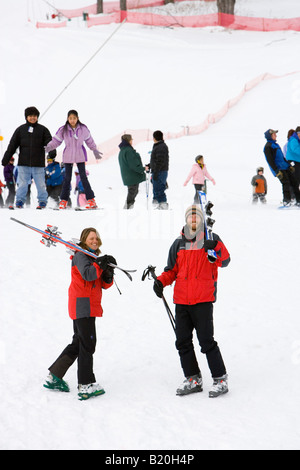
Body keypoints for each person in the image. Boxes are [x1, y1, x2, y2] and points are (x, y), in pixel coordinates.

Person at [153, 205, 231, 398]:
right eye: (190, 216)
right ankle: (193, 378)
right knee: (182, 342)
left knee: (206, 341)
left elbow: (225, 260)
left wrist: (216, 248)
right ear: (187, 219)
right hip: (181, 301)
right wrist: (161, 281)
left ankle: (220, 379)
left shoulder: (211, 239)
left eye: (197, 215)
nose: (193, 219)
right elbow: (171, 270)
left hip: (203, 300)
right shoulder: (179, 243)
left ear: (202, 219)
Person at [43, 227, 116, 400]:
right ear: (84, 240)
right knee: (88, 344)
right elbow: (88, 274)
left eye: (96, 238)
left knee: (79, 343)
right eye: (91, 238)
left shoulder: (93, 258)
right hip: (83, 305)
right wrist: (99, 265)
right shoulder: (80, 256)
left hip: (88, 305)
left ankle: (54, 376)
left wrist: (108, 273)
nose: (94, 241)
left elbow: (102, 285)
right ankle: (85, 385)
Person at [45, 110, 102, 210]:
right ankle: (63, 201)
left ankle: (91, 200)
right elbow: (56, 141)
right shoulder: (63, 129)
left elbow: (89, 140)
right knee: (67, 179)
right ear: (67, 119)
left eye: (74, 118)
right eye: (70, 118)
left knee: (83, 177)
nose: (72, 120)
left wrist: (94, 150)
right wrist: (49, 147)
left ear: (77, 118)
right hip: (68, 157)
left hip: (80, 155)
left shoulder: (83, 129)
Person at [1, 106, 55, 209]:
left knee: (41, 185)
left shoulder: (43, 130)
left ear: (37, 117)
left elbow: (49, 142)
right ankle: (20, 201)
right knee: (22, 184)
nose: (32, 118)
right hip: (23, 163)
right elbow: (12, 145)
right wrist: (6, 158)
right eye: (30, 116)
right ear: (26, 117)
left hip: (38, 163)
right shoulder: (21, 130)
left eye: (34, 116)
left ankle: (42, 202)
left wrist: (52, 152)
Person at [263, 129, 300, 206]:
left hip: (285, 167)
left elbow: (282, 158)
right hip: (279, 169)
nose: (276, 135)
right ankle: (287, 201)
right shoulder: (268, 147)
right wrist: (276, 171)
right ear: (270, 136)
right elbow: (270, 161)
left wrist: (289, 165)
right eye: (274, 134)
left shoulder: (276, 145)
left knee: (294, 183)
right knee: (286, 183)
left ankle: (298, 200)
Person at [118, 134, 146, 209]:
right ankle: (128, 207)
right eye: (131, 140)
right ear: (129, 141)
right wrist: (143, 169)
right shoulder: (128, 150)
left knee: (133, 191)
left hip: (128, 175)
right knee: (133, 191)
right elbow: (133, 164)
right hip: (131, 175)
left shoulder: (122, 151)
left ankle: (128, 206)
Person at [149, 130, 169, 209]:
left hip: (160, 171)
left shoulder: (161, 146)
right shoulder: (158, 145)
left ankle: (163, 205)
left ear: (154, 138)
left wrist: (156, 172)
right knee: (156, 188)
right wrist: (150, 165)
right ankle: (157, 204)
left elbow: (160, 161)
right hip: (158, 170)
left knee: (159, 189)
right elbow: (155, 159)